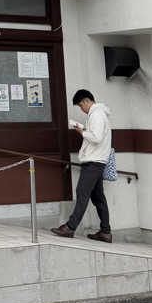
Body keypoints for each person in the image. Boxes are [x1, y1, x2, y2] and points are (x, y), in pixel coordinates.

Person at [51, 89, 112, 242]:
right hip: (98, 160)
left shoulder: (96, 114)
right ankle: (105, 231)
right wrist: (84, 129)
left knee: (82, 192)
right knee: (98, 197)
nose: (81, 109)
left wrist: (82, 132)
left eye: (80, 106)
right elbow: (97, 136)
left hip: (94, 161)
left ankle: (70, 227)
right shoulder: (100, 114)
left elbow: (96, 138)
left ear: (86, 101)